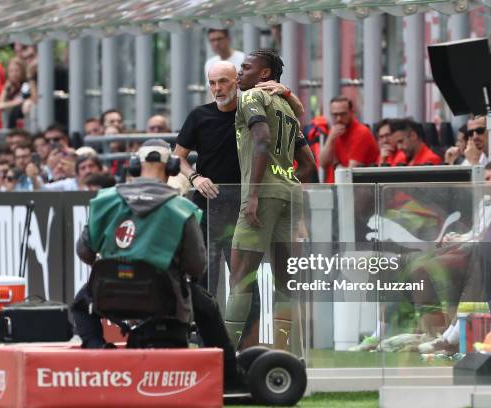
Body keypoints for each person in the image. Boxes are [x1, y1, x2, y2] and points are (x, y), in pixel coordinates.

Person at [71, 139, 243, 390]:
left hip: (108, 292)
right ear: (172, 167)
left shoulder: (104, 201)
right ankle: (231, 378)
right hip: (164, 296)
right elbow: (196, 266)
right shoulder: (182, 208)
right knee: (208, 308)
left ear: (134, 165)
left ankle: (100, 351)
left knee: (79, 305)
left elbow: (84, 251)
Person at [175, 60, 306, 294]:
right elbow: (178, 157)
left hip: (246, 204)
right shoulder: (199, 116)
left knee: (245, 281)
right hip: (209, 205)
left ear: (237, 81)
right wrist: (195, 178)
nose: (217, 88)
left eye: (223, 81)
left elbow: (294, 119)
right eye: (212, 83)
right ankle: (204, 330)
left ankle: (249, 328)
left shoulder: (253, 108)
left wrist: (287, 93)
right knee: (204, 277)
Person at [229, 49, 316, 350]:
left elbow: (262, 139)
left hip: (262, 194)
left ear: (264, 74)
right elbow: (309, 165)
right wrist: (287, 183)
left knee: (239, 278)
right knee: (285, 283)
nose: (240, 73)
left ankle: (225, 359)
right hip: (289, 196)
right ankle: (287, 352)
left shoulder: (252, 97)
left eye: (246, 67)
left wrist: (253, 193)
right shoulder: (288, 108)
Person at [319, 95, 379, 183]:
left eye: (343, 114)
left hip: (354, 188)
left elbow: (350, 172)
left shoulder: (361, 132)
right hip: (336, 186)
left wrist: (337, 166)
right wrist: (330, 139)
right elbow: (323, 164)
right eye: (335, 115)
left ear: (352, 112)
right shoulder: (334, 132)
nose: (339, 119)